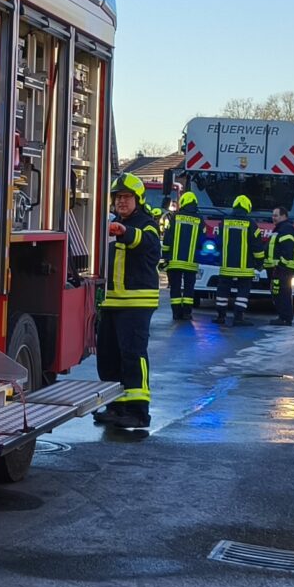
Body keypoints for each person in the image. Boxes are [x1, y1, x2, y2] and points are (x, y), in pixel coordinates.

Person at [93, 172, 160, 431]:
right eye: (118, 197)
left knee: (133, 355)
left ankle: (139, 412)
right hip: (111, 303)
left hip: (136, 303)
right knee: (108, 356)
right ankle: (116, 407)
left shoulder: (147, 224)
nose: (121, 201)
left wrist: (125, 232)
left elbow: (147, 241)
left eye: (127, 197)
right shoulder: (110, 223)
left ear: (138, 199)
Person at [213, 194, 258, 325]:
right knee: (243, 292)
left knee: (222, 291)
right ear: (247, 208)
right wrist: (259, 262)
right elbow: (257, 246)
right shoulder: (251, 224)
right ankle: (238, 317)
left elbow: (218, 242)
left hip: (226, 266)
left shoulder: (224, 222)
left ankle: (221, 316)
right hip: (245, 268)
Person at [164, 189, 203, 322]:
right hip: (191, 263)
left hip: (174, 262)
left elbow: (167, 238)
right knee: (189, 289)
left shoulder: (175, 217)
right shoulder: (200, 219)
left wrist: (165, 256)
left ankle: (176, 314)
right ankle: (187, 313)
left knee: (175, 288)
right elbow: (202, 240)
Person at [265, 208, 294, 324]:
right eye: (273, 215)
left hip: (283, 268)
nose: (273, 218)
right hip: (280, 267)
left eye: (276, 215)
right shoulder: (280, 228)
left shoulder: (286, 229)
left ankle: (285, 318)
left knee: (282, 292)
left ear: (284, 216)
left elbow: (287, 250)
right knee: (279, 292)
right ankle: (283, 317)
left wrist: (280, 265)